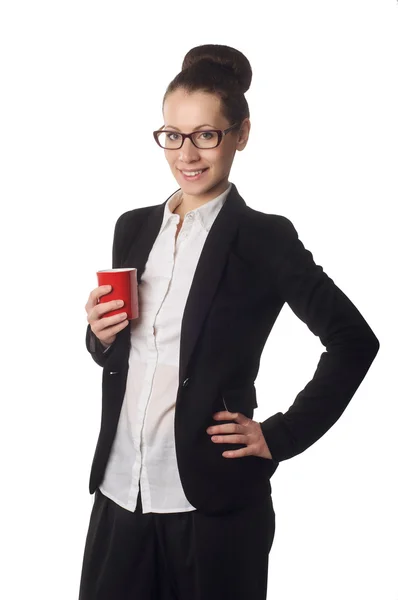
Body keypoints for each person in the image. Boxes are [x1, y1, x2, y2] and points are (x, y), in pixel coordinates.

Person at [78, 44, 380, 600]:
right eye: (172, 134)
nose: (186, 152)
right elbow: (125, 352)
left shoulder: (264, 238)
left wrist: (281, 435)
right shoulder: (133, 228)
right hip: (121, 493)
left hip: (212, 506)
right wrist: (97, 336)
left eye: (206, 134)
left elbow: (354, 340)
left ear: (241, 134)